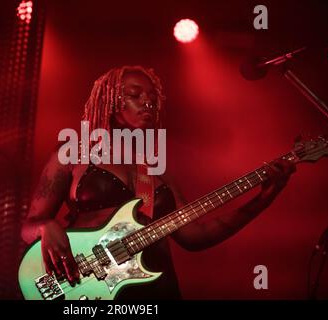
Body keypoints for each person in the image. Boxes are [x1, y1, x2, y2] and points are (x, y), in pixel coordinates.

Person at [21, 65, 296, 299]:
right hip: (84, 285)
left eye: (152, 97)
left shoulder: (155, 170)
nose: (147, 102)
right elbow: (29, 225)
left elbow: (194, 236)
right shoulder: (74, 154)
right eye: (134, 95)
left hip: (155, 289)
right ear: (109, 100)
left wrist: (263, 200)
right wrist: (46, 226)